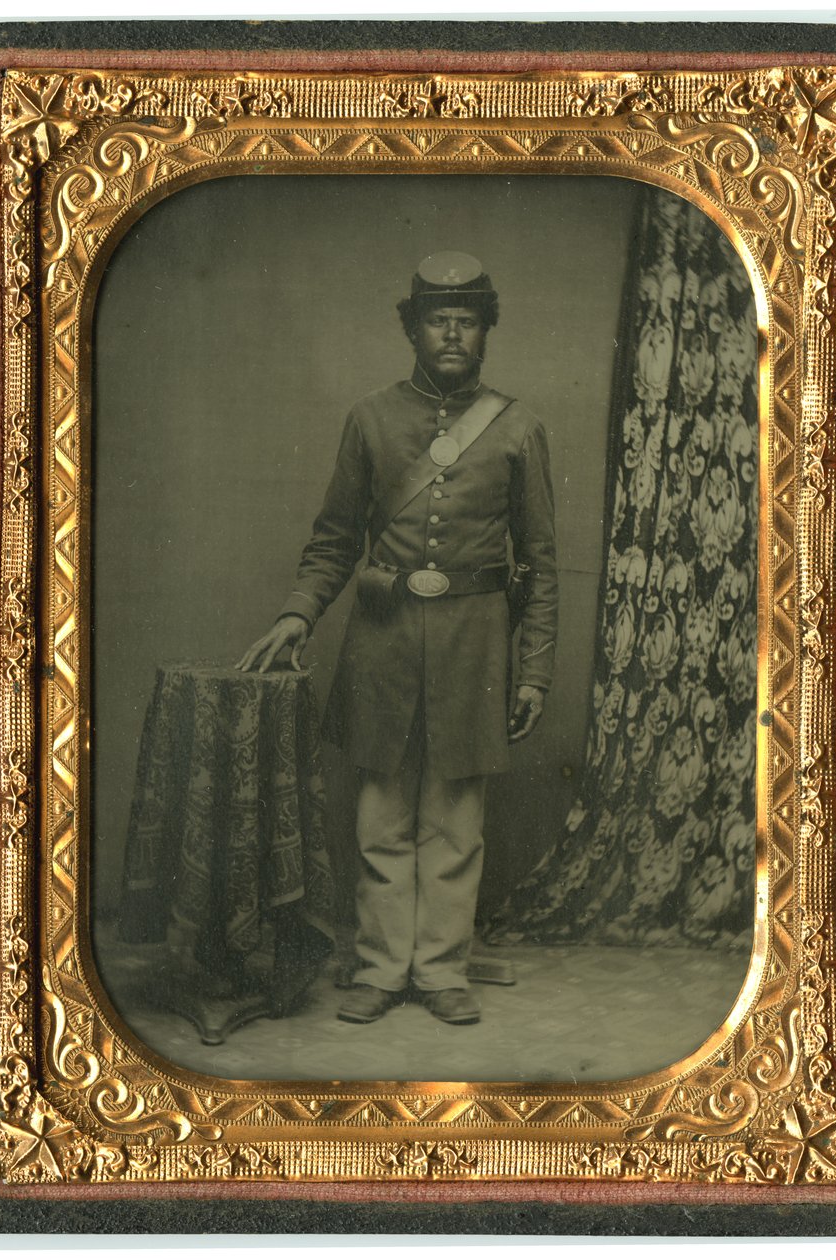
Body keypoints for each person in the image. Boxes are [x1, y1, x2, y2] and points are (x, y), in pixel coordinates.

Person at [239, 252, 557, 1026]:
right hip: (381, 645)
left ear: (484, 332)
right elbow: (334, 540)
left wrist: (533, 672)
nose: (452, 333)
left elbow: (542, 562)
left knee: (454, 823)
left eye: (466, 321)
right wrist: (296, 615)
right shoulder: (371, 419)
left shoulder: (518, 427)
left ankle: (442, 970)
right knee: (380, 816)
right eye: (437, 320)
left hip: (474, 648)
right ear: (412, 329)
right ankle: (382, 968)